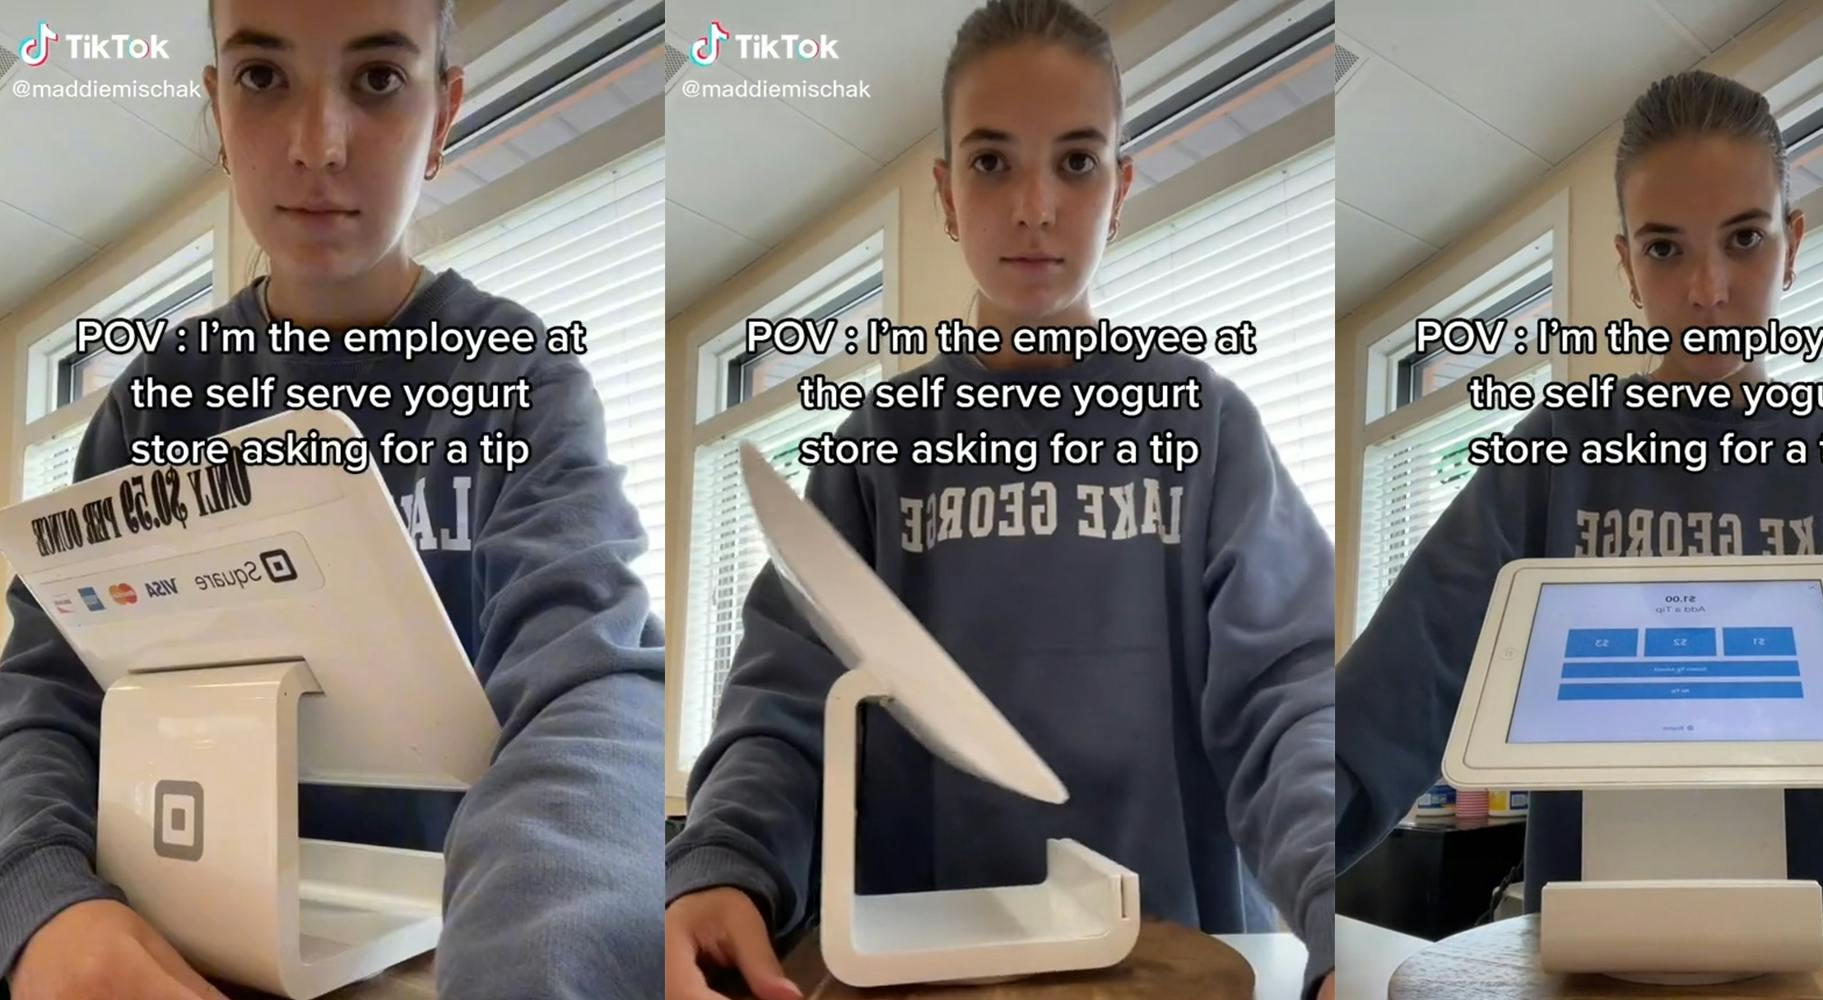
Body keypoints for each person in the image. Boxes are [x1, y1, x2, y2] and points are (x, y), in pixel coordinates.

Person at [664, 2, 1336, 998]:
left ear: (1119, 190)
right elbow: (785, 710)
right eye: (989, 163)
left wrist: (1335, 904)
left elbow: (1293, 699)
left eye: (1074, 162)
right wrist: (723, 866)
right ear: (943, 193)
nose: (1033, 205)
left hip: (1167, 969)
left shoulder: (1203, 429)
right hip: (911, 972)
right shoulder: (872, 457)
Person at [0, 2, 666, 998]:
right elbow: (44, 700)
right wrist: (41, 898)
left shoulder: (518, 379)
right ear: (218, 110)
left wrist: (535, 959)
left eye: (377, 80)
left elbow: (591, 685)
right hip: (168, 940)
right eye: (264, 79)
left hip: (438, 951)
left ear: (442, 118)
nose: (319, 148)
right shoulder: (151, 407)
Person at [1334, 70, 1823, 936]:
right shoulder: (1552, 460)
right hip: (1602, 945)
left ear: (1792, 245)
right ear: (1626, 265)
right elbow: (1403, 679)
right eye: (1665, 248)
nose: (1708, 290)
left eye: (1745, 238)